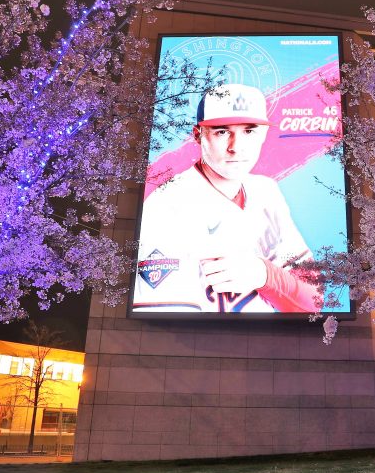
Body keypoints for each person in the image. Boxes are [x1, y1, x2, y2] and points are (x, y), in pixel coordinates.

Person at [132, 84, 320, 313]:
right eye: (222, 131)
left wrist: (264, 274)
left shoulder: (266, 191)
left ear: (263, 135)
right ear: (198, 135)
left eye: (249, 131)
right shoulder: (165, 207)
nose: (236, 147)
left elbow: (314, 300)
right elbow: (164, 329)